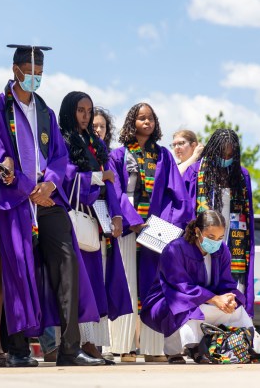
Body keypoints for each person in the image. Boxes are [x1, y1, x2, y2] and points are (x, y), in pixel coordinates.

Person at [0, 44, 104, 367]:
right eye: (29, 73)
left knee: (67, 265)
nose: (34, 79)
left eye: (39, 74)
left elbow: (60, 157)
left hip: (49, 198)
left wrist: (48, 183)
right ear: (15, 70)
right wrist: (27, 188)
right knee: (19, 270)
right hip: (14, 202)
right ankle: (19, 349)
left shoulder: (46, 111)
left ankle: (69, 348)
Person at [108, 102, 193, 362]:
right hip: (127, 228)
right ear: (131, 122)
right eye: (141, 118)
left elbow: (176, 195)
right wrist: (132, 219)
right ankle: (125, 347)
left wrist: (163, 227)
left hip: (155, 231)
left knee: (153, 287)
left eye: (151, 119)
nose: (147, 122)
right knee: (127, 286)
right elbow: (116, 191)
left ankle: (153, 348)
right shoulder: (119, 155)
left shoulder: (164, 156)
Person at [57, 91, 132, 363]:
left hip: (96, 218)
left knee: (94, 281)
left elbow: (111, 184)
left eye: (89, 110)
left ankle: (91, 343)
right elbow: (66, 176)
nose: (86, 115)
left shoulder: (93, 143)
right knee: (79, 282)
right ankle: (76, 343)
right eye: (80, 110)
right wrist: (99, 177)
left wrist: (116, 215)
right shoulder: (63, 139)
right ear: (69, 111)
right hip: (75, 216)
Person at [141, 210, 256, 364]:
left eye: (220, 238)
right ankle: (176, 351)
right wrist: (214, 299)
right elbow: (180, 286)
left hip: (206, 300)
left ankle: (250, 346)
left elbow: (226, 283)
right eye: (211, 237)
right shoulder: (175, 249)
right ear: (197, 231)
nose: (216, 242)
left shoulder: (222, 251)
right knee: (187, 309)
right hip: (168, 300)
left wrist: (229, 298)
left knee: (237, 310)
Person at [182, 129, 255, 320]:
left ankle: (230, 338)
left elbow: (247, 215)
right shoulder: (196, 172)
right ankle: (201, 338)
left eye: (230, 154)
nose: (226, 157)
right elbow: (186, 208)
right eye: (222, 153)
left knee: (232, 289)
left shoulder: (241, 175)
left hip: (233, 241)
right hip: (206, 242)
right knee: (205, 284)